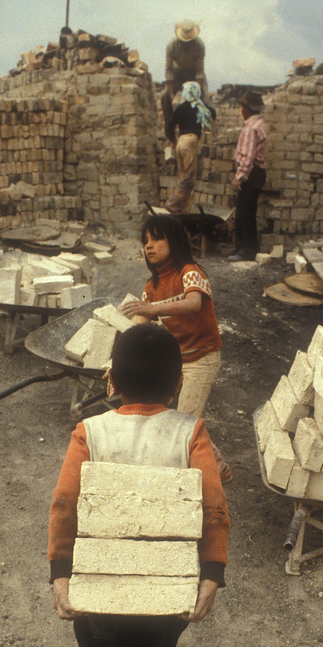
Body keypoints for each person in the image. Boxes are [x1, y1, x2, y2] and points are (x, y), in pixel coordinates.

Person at [48, 322, 231, 647]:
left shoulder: (90, 432)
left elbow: (65, 504)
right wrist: (210, 574)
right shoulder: (191, 433)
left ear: (110, 380)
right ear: (178, 385)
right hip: (167, 597)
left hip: (99, 595)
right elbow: (214, 507)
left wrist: (61, 575)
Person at [119, 214, 231, 483]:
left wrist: (152, 308)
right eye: (145, 241)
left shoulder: (189, 271)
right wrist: (115, 363)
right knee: (176, 418)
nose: (149, 246)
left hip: (203, 355)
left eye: (157, 239)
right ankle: (215, 464)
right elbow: (138, 332)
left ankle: (210, 472)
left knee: (186, 419)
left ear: (176, 241)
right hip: (178, 360)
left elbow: (193, 304)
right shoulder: (151, 287)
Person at [228, 91, 269, 261]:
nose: (241, 110)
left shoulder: (251, 127)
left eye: (242, 107)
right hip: (259, 173)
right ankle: (250, 249)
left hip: (251, 173)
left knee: (243, 213)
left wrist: (239, 178)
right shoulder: (261, 123)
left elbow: (248, 157)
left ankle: (245, 251)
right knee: (249, 212)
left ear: (246, 109)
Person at [164, 81, 216, 214]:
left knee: (183, 177)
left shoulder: (180, 107)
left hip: (180, 142)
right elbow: (213, 114)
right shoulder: (199, 106)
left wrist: (172, 141)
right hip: (191, 141)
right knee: (189, 178)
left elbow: (169, 126)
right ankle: (173, 204)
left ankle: (183, 210)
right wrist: (206, 101)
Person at [161, 21, 208, 135]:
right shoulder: (171, 45)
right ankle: (170, 136)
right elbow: (169, 71)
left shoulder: (199, 45)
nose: (186, 44)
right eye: (184, 42)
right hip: (178, 73)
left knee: (204, 98)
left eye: (189, 42)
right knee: (165, 97)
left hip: (193, 72)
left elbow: (200, 72)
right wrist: (172, 95)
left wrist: (196, 95)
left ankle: (202, 133)